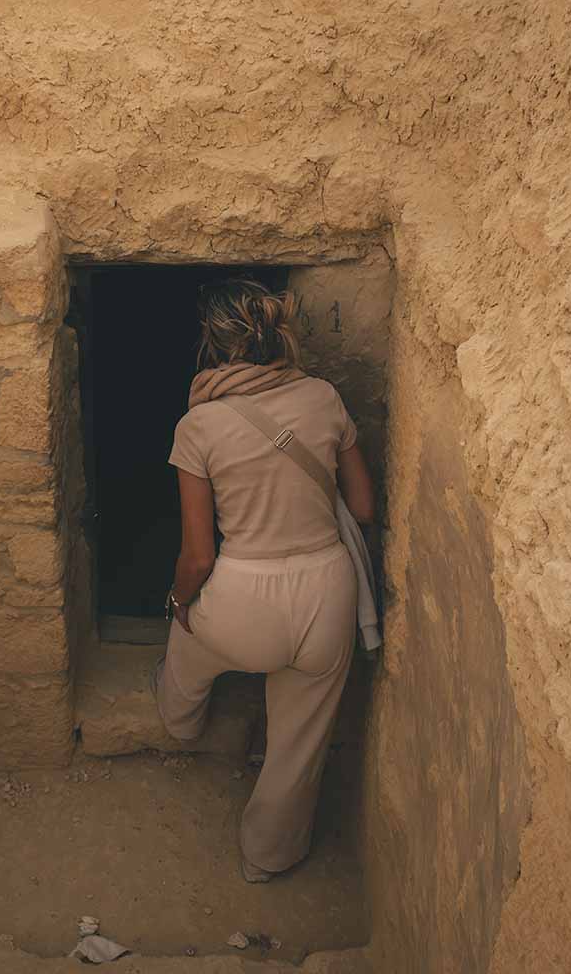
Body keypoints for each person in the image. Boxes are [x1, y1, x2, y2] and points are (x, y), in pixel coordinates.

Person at [151, 276, 374, 883]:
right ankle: (267, 858)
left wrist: (177, 602)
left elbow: (197, 558)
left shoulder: (197, 427)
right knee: (298, 745)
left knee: (188, 636)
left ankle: (181, 721)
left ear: (212, 345)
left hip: (245, 599)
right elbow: (362, 506)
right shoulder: (324, 397)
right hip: (329, 593)